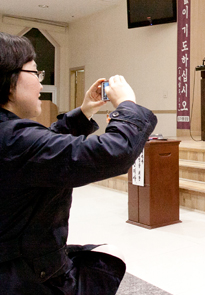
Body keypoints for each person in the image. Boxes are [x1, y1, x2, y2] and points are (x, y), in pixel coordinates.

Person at [0, 32, 157, 294]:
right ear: (8, 79)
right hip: (23, 278)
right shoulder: (14, 139)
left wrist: (85, 111)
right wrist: (127, 105)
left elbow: (45, 148)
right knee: (108, 258)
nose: (41, 84)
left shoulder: (12, 135)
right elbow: (114, 152)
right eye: (35, 73)